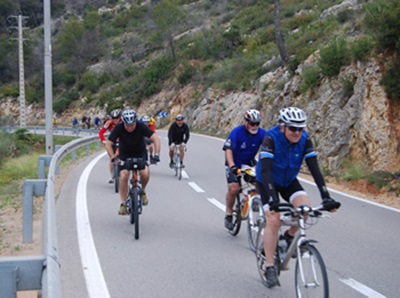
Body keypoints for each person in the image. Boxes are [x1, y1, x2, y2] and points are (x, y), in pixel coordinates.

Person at [255, 107, 340, 288]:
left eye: (300, 129)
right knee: (274, 218)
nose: (297, 133)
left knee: (305, 209)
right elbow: (266, 169)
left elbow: (314, 168)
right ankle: (269, 265)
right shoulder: (271, 138)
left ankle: (287, 237)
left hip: (288, 181)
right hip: (267, 182)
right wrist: (272, 199)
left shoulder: (304, 139)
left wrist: (326, 196)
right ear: (282, 126)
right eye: (293, 128)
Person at [105, 109, 161, 214]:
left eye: (132, 125)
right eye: (127, 125)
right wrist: (113, 157)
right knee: (124, 176)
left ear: (136, 122)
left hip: (140, 153)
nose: (130, 127)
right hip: (124, 154)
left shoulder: (141, 126)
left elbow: (155, 139)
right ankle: (123, 203)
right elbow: (108, 143)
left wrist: (156, 155)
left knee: (145, 173)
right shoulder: (119, 128)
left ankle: (143, 190)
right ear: (124, 123)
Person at [222, 109, 267, 231]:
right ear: (246, 122)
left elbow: (269, 149)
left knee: (261, 181)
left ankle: (248, 199)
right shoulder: (237, 132)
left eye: (257, 123)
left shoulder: (262, 133)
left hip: (249, 162)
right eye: (252, 123)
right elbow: (229, 150)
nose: (255, 126)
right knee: (234, 188)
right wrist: (232, 166)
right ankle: (229, 214)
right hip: (234, 162)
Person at [99, 109, 122, 183]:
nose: (115, 120)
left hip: (122, 140)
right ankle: (112, 175)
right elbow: (101, 132)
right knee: (112, 158)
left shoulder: (123, 121)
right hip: (113, 140)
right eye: (113, 118)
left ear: (120, 117)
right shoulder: (109, 122)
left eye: (117, 118)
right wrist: (103, 140)